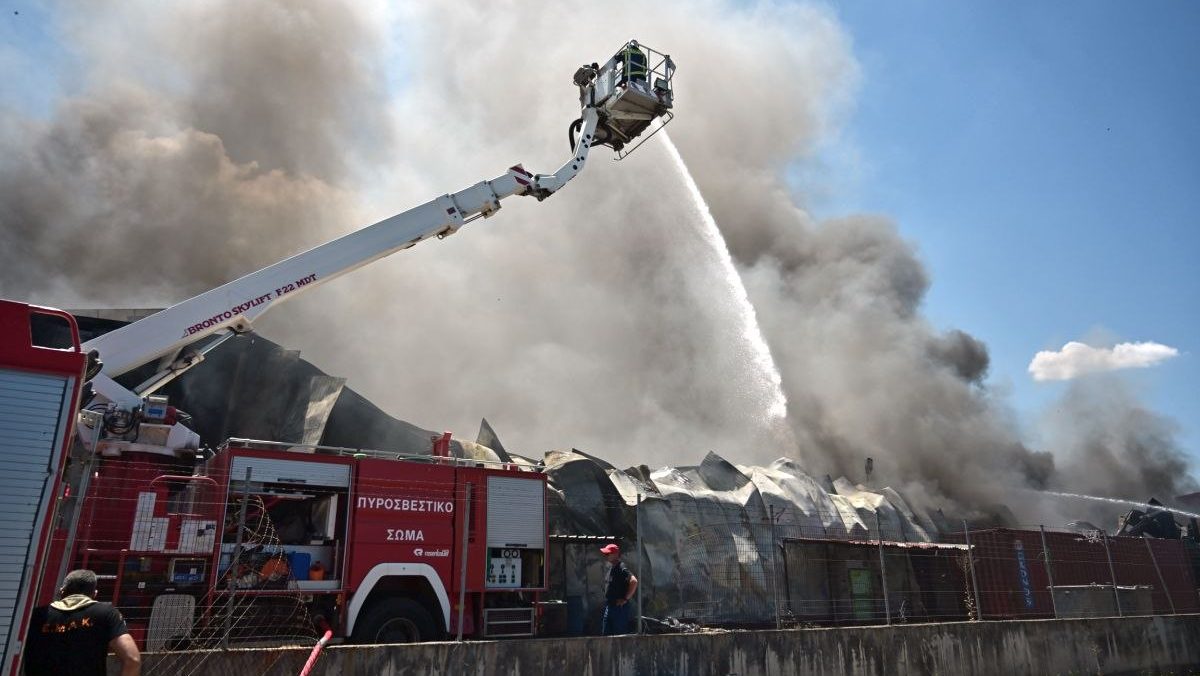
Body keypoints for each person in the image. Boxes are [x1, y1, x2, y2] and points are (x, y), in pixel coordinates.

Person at [23, 569, 141, 676]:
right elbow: (132, 659)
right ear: (94, 594)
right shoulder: (106, 613)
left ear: (61, 592)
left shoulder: (36, 615)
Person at [599, 543, 638, 635]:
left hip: (619, 609)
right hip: (610, 606)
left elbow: (634, 581)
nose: (606, 556)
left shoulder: (621, 567)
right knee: (606, 635)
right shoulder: (612, 568)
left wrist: (625, 598)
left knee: (619, 636)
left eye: (608, 554)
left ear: (616, 554)